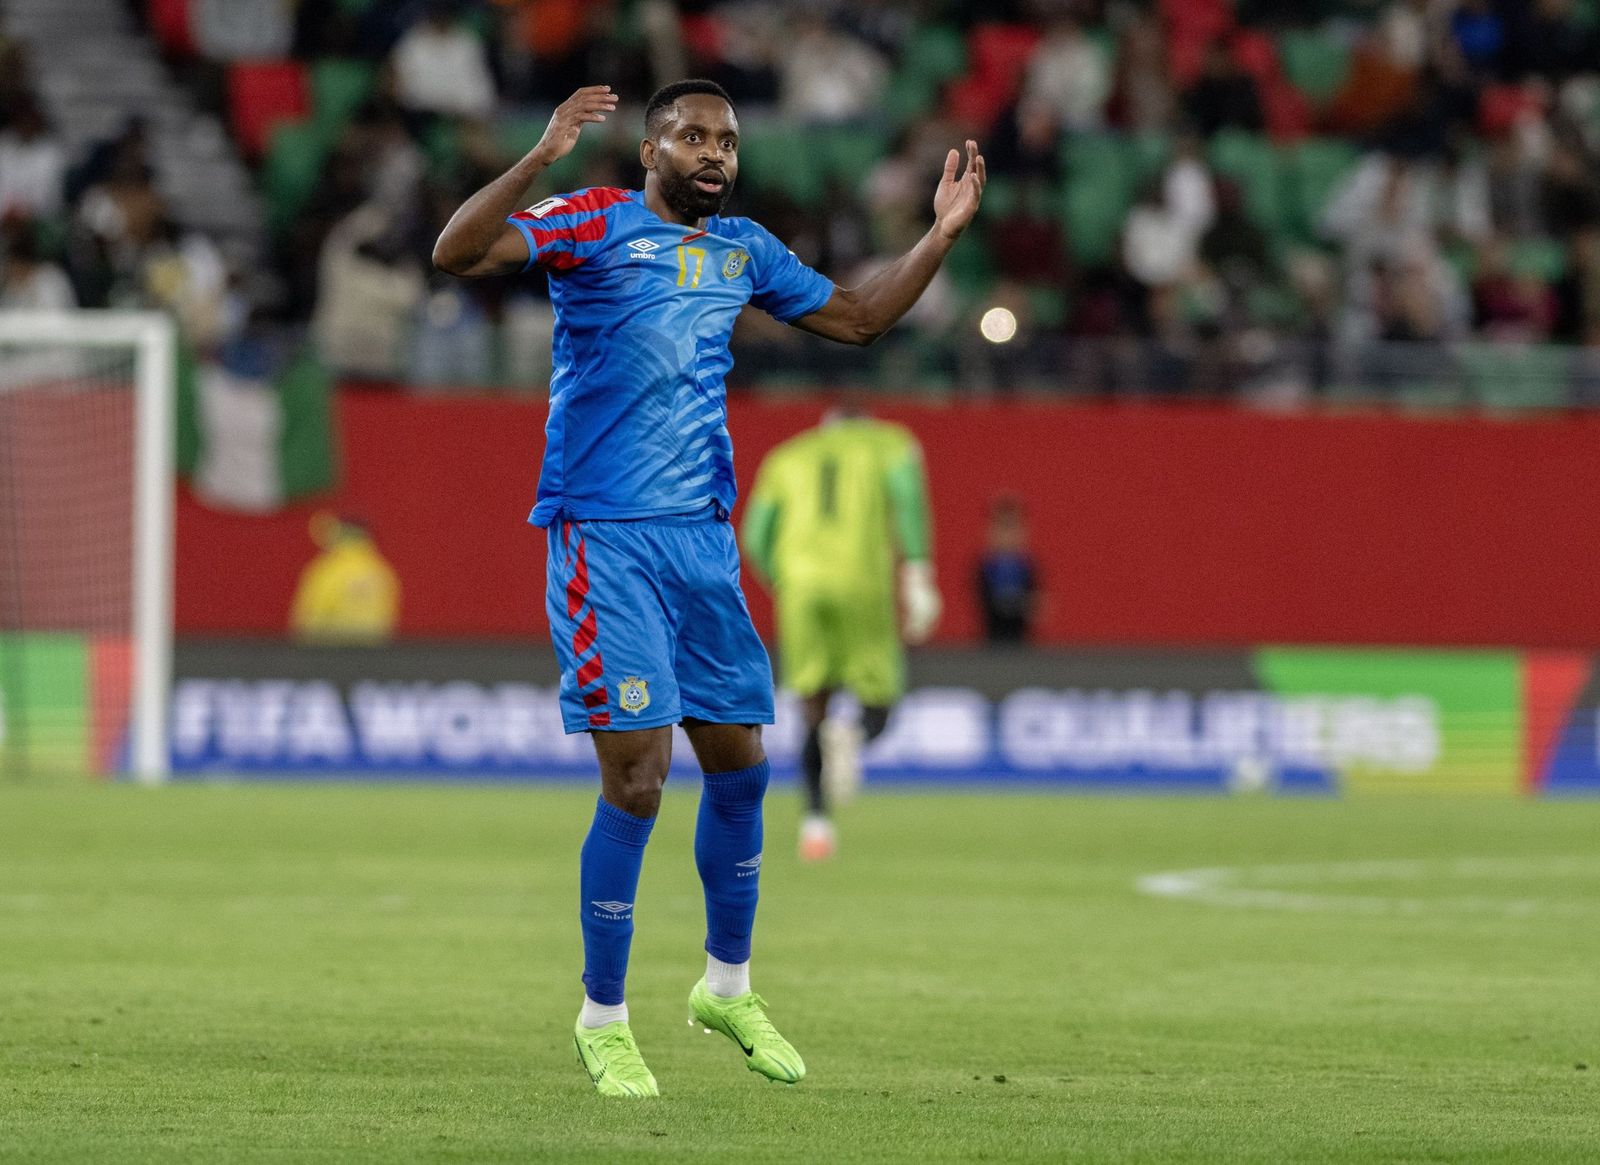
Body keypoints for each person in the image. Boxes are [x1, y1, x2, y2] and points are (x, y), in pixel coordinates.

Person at [432, 79, 984, 1097]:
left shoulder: (744, 251)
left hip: (701, 544)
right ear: (650, 151)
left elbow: (861, 318)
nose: (714, 153)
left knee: (741, 769)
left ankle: (726, 986)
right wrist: (541, 155)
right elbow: (456, 253)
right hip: (606, 539)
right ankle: (603, 1017)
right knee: (638, 780)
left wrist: (938, 237)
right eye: (692, 136)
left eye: (726, 140)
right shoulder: (592, 220)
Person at [741, 402, 939, 862]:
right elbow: (909, 503)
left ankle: (816, 824)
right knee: (878, 702)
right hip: (862, 584)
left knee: (813, 706)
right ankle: (853, 736)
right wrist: (918, 574)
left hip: (802, 588)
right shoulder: (891, 444)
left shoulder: (786, 456)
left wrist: (786, 583)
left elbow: (753, 537)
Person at [289, 513, 401, 644]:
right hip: (373, 652)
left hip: (329, 651)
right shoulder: (382, 572)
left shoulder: (329, 570)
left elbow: (310, 619)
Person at [975, 494, 1039, 644]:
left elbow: (1036, 604)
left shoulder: (1027, 566)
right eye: (1003, 527)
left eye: (1012, 527)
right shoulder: (986, 567)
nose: (1008, 535)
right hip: (991, 640)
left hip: (1022, 641)